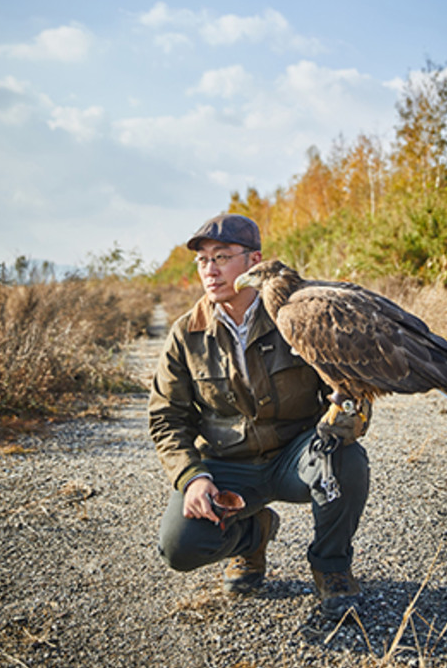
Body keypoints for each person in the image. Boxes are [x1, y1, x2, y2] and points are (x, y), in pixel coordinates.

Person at [148, 213, 371, 620]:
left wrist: (349, 419)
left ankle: (332, 567)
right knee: (178, 548)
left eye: (222, 257)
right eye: (203, 261)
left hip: (295, 456)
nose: (210, 270)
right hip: (227, 466)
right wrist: (192, 477)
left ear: (254, 261)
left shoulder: (297, 317)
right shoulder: (186, 334)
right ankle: (254, 534)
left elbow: (349, 386)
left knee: (347, 460)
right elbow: (166, 418)